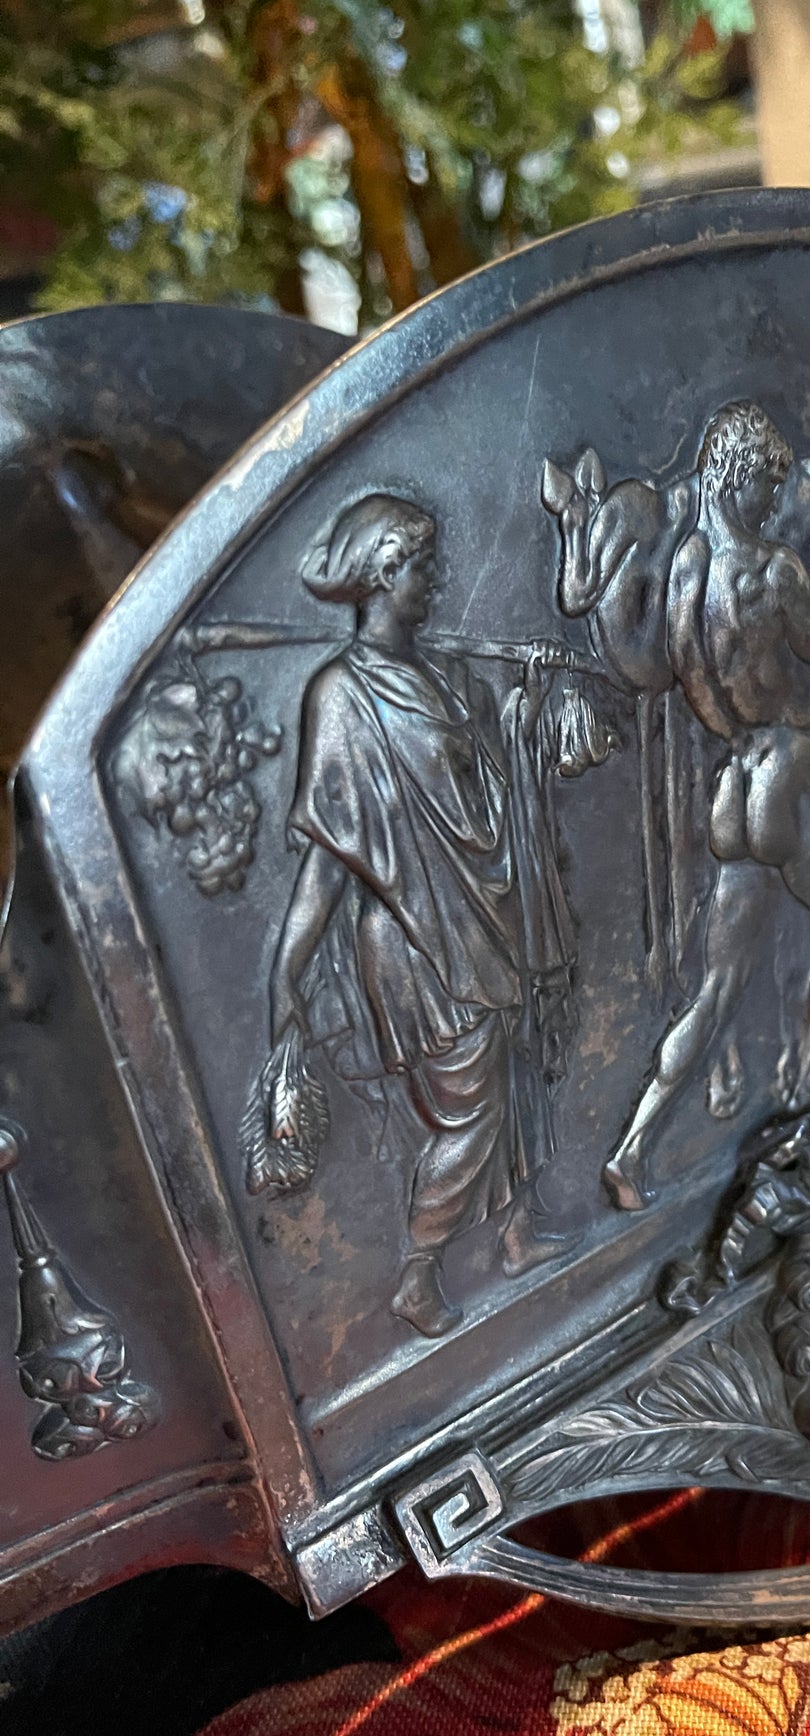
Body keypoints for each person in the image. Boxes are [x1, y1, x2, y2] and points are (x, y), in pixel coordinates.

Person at [267, 493, 572, 1339]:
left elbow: (477, 799)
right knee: (468, 1109)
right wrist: (286, 969)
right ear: (382, 574)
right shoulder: (341, 697)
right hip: (416, 941)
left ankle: (513, 1234)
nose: (435, 580)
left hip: (479, 914)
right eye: (423, 566)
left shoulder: (438, 673)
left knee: (508, 1082)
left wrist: (519, 719)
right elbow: (330, 857)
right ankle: (416, 1270)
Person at [601, 401, 810, 1210]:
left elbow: (663, 669)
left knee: (717, 989)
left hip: (731, 783)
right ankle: (798, 1095)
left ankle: (632, 1147)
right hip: (786, 764)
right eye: (767, 480)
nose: (773, 497)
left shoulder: (685, 567)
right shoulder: (773, 568)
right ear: (734, 472)